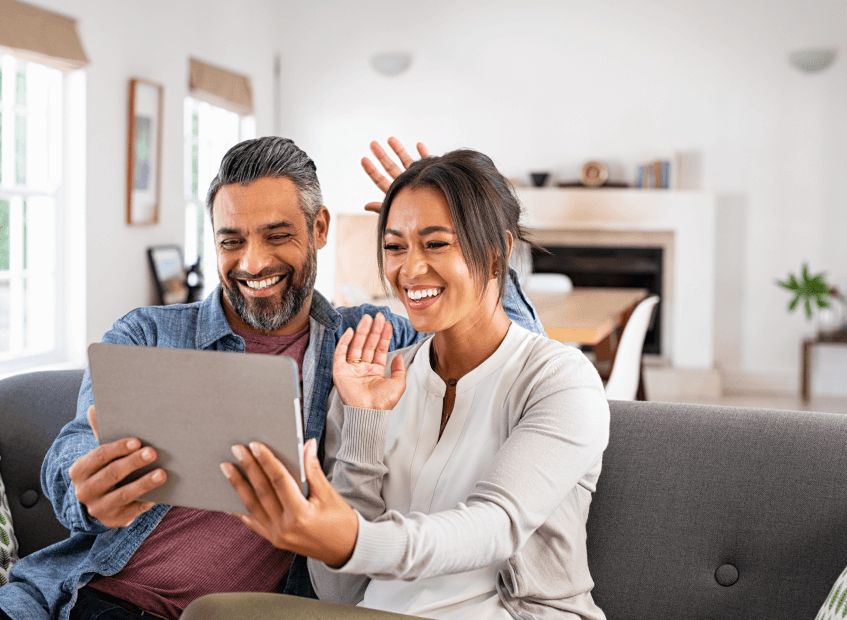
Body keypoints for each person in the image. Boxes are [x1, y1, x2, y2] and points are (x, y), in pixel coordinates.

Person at [0, 137, 543, 620]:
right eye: (231, 241)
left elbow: (508, 352)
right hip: (97, 596)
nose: (253, 263)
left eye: (277, 235)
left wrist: (465, 227)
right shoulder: (148, 332)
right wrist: (86, 492)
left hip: (248, 611)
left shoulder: (371, 344)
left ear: (321, 228)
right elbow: (74, 448)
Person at [223, 149, 610, 619]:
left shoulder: (559, 380)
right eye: (394, 246)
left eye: (436, 244)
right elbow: (338, 594)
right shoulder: (371, 379)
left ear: (498, 254)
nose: (409, 270)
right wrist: (364, 425)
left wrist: (354, 539)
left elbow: (496, 526)